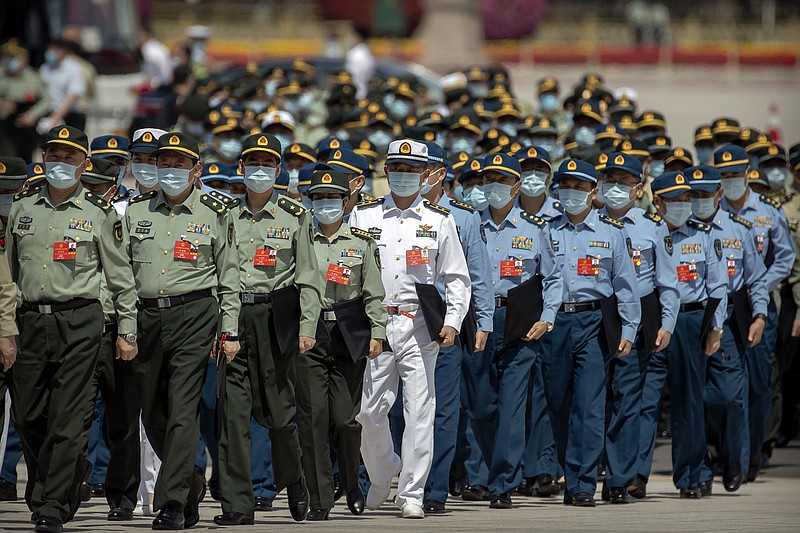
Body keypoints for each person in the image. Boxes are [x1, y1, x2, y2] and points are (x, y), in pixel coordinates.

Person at [6, 126, 138, 533]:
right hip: (30, 320)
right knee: (28, 413)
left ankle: (51, 505)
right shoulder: (22, 208)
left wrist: (127, 330)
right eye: (53, 155)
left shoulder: (98, 215)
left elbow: (120, 278)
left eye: (69, 157)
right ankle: (60, 476)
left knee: (68, 415)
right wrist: (6, 324)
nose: (59, 164)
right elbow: (9, 274)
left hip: (81, 320)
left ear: (83, 165)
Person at [123, 132, 240, 530]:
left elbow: (229, 276)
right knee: (152, 410)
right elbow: (120, 275)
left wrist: (229, 330)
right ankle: (188, 482)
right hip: (145, 317)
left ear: (196, 170)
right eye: (163, 164)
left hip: (195, 314)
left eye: (178, 165)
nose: (168, 171)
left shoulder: (216, 210)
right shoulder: (135, 210)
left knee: (182, 408)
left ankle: (170, 503)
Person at [350, 139, 471, 519]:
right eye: (396, 169)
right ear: (386, 173)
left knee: (420, 410)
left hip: (419, 323)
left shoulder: (439, 220)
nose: (403, 177)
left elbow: (457, 278)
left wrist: (453, 321)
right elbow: (351, 272)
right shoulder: (364, 216)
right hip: (375, 323)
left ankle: (412, 493)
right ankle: (384, 470)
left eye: (411, 170)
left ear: (425, 175)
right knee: (370, 411)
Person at [214, 133, 322, 526]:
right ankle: (237, 505)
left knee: (279, 416)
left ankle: (293, 479)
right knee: (234, 417)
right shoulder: (226, 214)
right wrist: (226, 330)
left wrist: (307, 326)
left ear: (279, 170)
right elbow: (222, 276)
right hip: (235, 315)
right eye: (252, 163)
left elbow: (309, 277)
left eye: (267, 164)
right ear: (240, 168)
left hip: (276, 319)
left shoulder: (296, 215)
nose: (259, 171)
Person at [463, 152, 563, 509]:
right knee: (479, 401)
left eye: (503, 181)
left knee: (511, 404)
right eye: (489, 180)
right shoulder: (469, 225)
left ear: (517, 186)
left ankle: (502, 483)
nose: (494, 188)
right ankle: (478, 475)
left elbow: (553, 279)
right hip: (477, 320)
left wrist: (547, 316)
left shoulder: (537, 228)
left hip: (519, 321)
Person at [541, 158, 641, 507]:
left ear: (593, 192)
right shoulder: (547, 229)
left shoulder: (612, 233)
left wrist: (629, 327)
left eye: (580, 187)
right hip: (554, 323)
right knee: (558, 402)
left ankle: (582, 483)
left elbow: (625, 286)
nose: (572, 193)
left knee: (589, 404)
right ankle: (567, 469)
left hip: (594, 322)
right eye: (566, 186)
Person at [295, 169, 387, 520]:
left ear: (346, 201)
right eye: (318, 199)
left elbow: (373, 292)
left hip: (347, 334)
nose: (326, 205)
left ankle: (350, 482)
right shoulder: (302, 237)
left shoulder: (361, 242)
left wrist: (378, 332)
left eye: (332, 199)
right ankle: (319, 497)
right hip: (310, 331)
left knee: (345, 420)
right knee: (313, 418)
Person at [594, 153, 680, 503]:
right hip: (596, 313)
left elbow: (668, 281)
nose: (615, 189)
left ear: (638, 187)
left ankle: (620, 478)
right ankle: (587, 470)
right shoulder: (589, 221)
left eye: (623, 182)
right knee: (595, 398)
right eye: (609, 181)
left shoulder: (652, 226)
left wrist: (667, 323)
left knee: (629, 398)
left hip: (639, 314)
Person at [636, 170, 727, 499]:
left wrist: (715, 328)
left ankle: (691, 475)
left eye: (685, 199)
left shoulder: (703, 235)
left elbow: (718, 286)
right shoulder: (645, 231)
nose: (682, 205)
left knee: (689, 403)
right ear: (657, 202)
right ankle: (636, 476)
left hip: (690, 323)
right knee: (645, 400)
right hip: (651, 320)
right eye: (673, 200)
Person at [417, 142, 494, 514]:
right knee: (397, 406)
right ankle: (399, 478)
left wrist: (483, 322)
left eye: (423, 169)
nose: (414, 176)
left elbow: (478, 276)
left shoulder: (463, 217)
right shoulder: (388, 214)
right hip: (403, 318)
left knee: (444, 408)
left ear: (439, 174)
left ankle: (434, 490)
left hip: (447, 319)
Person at [686, 164, 769, 495]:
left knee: (730, 397)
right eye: (694, 194)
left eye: (706, 193)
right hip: (690, 315)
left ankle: (733, 459)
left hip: (731, 319)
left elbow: (756, 277)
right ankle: (700, 463)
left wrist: (760, 315)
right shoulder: (678, 229)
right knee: (693, 397)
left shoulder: (738, 230)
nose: (700, 200)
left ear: (719, 194)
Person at [715, 144, 795, 481]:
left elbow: (785, 257)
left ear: (748, 172)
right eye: (725, 175)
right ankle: (731, 455)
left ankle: (754, 448)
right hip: (721, 306)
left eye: (737, 173)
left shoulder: (768, 212)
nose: (732, 180)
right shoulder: (711, 211)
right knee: (723, 386)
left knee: (760, 384)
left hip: (760, 305)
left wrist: (763, 283)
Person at [78, 157, 143, 520]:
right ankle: (70, 481)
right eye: (85, 186)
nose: (90, 194)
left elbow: (128, 279)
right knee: (72, 418)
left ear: (112, 188)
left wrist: (128, 331)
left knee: (121, 420)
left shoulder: (127, 219)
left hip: (118, 328)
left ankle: (121, 495)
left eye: (97, 188)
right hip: (80, 327)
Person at [0, 157, 22, 499]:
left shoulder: (27, 218)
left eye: (8, 191)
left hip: (29, 323)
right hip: (7, 325)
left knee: (24, 413)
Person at [0, 39, 51, 160]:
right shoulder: (1, 73)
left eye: (14, 58)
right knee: (7, 160)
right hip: (4, 125)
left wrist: (32, 114)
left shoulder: (33, 77)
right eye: (7, 57)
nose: (10, 61)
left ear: (24, 60)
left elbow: (47, 100)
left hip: (26, 125)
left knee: (26, 160)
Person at [39, 39, 87, 130]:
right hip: (48, 113)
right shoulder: (45, 68)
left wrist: (55, 119)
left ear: (63, 51)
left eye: (53, 50)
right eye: (48, 50)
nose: (50, 53)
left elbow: (72, 96)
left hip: (69, 115)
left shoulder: (74, 69)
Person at [344, 23, 376, 100]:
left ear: (358, 36)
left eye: (352, 35)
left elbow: (353, 77)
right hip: (364, 93)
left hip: (355, 94)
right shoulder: (367, 53)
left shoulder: (356, 54)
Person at [138, 22, 173, 89]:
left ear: (145, 35)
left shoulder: (148, 50)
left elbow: (151, 72)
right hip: (166, 82)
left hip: (157, 85)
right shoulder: (161, 47)